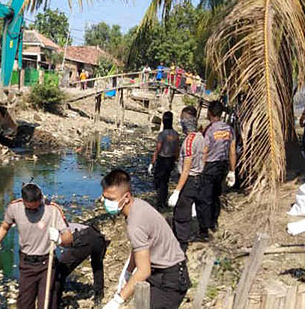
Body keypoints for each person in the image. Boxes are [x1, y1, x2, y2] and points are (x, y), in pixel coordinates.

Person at [0, 183, 73, 309]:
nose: (32, 211)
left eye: (35, 208)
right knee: (25, 303)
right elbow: (4, 227)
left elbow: (69, 238)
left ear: (41, 199)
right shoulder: (15, 208)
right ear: (24, 201)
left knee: (47, 303)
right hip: (26, 264)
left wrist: (59, 239)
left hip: (47, 263)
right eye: (29, 209)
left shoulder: (52, 209)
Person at [101, 169, 190, 309]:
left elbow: (144, 271)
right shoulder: (138, 205)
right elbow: (139, 246)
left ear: (126, 197)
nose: (106, 202)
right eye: (104, 197)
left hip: (170, 279)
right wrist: (128, 271)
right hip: (159, 273)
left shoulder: (135, 223)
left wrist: (118, 300)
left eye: (111, 199)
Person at [200, 101, 237, 240]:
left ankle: (204, 228)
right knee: (216, 195)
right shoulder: (228, 129)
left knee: (205, 197)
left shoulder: (210, 130)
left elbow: (204, 151)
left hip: (209, 165)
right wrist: (232, 171)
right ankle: (214, 222)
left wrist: (199, 169)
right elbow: (232, 151)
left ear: (210, 113)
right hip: (223, 165)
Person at [171, 106, 205, 252]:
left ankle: (181, 246)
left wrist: (177, 191)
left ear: (186, 121)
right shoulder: (201, 137)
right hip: (198, 178)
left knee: (181, 215)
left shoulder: (189, 142)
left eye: (181, 119)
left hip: (190, 180)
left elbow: (186, 169)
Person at [56, 222, 108, 305]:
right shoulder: (65, 224)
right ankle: (99, 296)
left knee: (59, 271)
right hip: (97, 237)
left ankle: (55, 301)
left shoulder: (55, 230)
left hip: (83, 239)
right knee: (97, 266)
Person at [149, 111, 179, 210]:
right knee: (165, 181)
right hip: (170, 160)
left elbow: (158, 148)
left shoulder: (162, 134)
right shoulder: (175, 134)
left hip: (163, 159)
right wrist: (176, 160)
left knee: (159, 181)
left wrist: (152, 161)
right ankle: (162, 201)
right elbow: (176, 148)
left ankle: (160, 202)